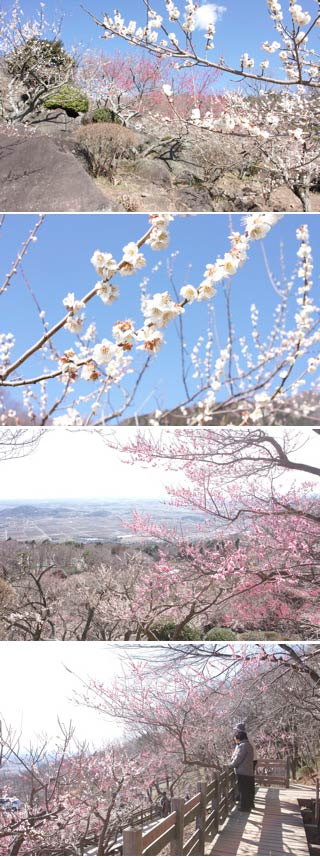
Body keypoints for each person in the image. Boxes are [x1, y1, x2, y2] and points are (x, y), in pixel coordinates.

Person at [230, 730, 254, 812]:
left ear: (238, 738)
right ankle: (249, 805)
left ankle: (244, 807)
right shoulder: (248, 745)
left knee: (243, 790)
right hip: (248, 770)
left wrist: (231, 765)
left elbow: (238, 758)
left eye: (235, 738)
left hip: (242, 771)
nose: (235, 740)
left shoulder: (242, 746)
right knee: (247, 789)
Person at [236, 722, 258, 808]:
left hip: (249, 762)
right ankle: (250, 802)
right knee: (250, 782)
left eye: (237, 730)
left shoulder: (244, 738)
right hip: (253, 760)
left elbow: (241, 753)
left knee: (246, 784)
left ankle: (246, 803)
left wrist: (234, 763)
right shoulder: (247, 736)